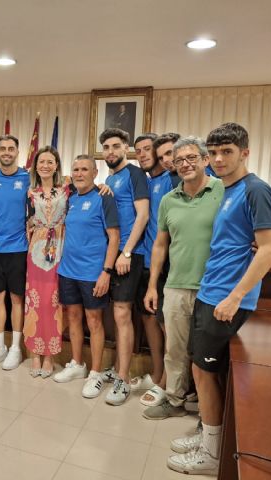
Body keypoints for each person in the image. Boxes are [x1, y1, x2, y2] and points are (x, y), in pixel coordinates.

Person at [167, 123, 271, 475]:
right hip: (209, 290)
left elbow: (270, 250)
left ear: (244, 152)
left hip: (227, 299)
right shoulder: (228, 190)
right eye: (213, 152)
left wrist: (235, 296)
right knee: (204, 372)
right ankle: (208, 436)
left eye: (226, 152)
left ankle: (213, 454)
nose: (218, 159)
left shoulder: (256, 190)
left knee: (204, 371)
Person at [142, 136, 224, 422]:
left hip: (213, 288)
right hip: (176, 285)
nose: (185, 164)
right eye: (179, 161)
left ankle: (208, 410)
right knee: (175, 349)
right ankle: (175, 398)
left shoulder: (223, 191)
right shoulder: (168, 200)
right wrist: (153, 285)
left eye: (191, 158)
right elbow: (160, 245)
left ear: (205, 160)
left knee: (208, 354)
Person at [53, 155, 120, 398]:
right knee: (73, 318)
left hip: (93, 272)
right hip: (68, 270)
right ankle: (77, 364)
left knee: (94, 322)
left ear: (95, 172)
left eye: (85, 169)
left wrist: (106, 272)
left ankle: (95, 372)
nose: (80, 173)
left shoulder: (104, 198)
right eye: (76, 169)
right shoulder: (70, 197)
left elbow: (114, 237)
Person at [100, 128, 150, 406]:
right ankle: (118, 368)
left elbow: (142, 214)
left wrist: (127, 252)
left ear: (126, 148)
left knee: (122, 313)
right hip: (113, 251)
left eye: (115, 146)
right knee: (116, 313)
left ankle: (123, 378)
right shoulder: (111, 177)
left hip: (131, 253)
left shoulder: (134, 174)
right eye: (106, 147)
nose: (110, 151)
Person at [0, 135, 31, 370]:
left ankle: (15, 347)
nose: (7, 152)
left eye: (11, 148)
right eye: (3, 149)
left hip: (19, 248)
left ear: (17, 152)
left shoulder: (29, 177)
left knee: (16, 299)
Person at [23, 146, 68, 378]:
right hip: (37, 251)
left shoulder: (67, 190)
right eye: (41, 162)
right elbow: (26, 222)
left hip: (60, 248)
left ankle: (50, 354)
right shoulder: (30, 193)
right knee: (35, 301)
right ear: (36, 166)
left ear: (57, 165)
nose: (45, 165)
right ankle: (35, 352)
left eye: (50, 162)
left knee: (54, 302)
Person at [131, 133, 168, 404]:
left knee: (168, 325)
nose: (142, 154)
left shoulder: (173, 177)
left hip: (170, 263)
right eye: (138, 151)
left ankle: (169, 381)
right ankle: (156, 374)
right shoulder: (145, 181)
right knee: (148, 319)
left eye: (147, 149)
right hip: (145, 260)